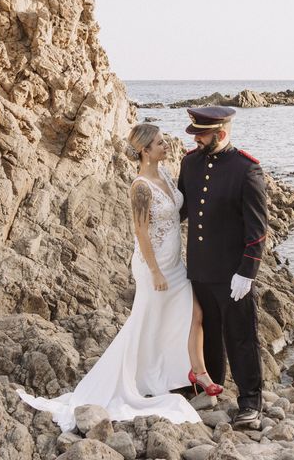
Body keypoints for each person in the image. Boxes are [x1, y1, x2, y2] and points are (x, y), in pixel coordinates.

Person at [16, 123, 220, 432]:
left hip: (176, 263)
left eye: (164, 141)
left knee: (194, 313)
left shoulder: (164, 174)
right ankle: (137, 379)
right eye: (160, 143)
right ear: (145, 150)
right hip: (155, 266)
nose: (166, 146)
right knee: (145, 322)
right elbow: (141, 232)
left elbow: (177, 212)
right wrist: (154, 271)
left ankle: (197, 373)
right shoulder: (140, 186)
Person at [177, 107, 268, 425]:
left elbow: (257, 231)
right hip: (199, 270)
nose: (196, 139)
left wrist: (247, 272)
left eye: (201, 134)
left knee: (241, 336)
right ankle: (211, 388)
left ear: (221, 134)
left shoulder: (246, 170)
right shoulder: (189, 163)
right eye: (195, 134)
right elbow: (182, 209)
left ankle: (250, 402)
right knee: (210, 333)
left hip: (233, 275)